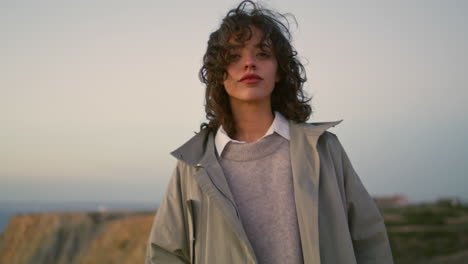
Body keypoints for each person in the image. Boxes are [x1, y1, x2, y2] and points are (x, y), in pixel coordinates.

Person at [145, 1, 393, 263]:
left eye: (263, 54)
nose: (250, 63)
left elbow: (369, 242)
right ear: (220, 74)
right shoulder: (193, 164)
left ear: (279, 71)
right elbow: (165, 254)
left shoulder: (324, 149)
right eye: (234, 56)